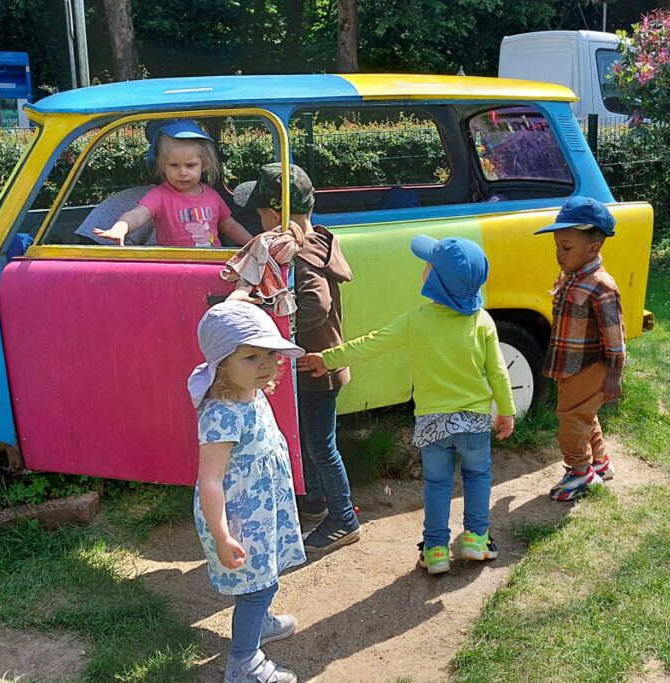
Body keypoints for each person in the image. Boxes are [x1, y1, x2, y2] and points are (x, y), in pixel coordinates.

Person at [298, 235, 516, 575]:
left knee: (439, 485)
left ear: (435, 280)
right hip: (473, 421)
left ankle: (436, 550)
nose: (424, 268)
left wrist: (328, 358)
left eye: (428, 264)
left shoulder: (416, 320)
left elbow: (372, 344)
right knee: (477, 476)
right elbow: (498, 372)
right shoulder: (482, 321)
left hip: (433, 423)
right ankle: (475, 538)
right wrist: (506, 409)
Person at [229, 163, 361, 554]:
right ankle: (316, 501)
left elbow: (315, 304)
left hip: (314, 365)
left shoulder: (299, 252)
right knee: (309, 439)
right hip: (319, 363)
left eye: (258, 216)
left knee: (321, 446)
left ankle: (344, 518)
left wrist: (278, 326)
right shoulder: (318, 240)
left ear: (274, 215)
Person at [188, 301, 307, 683]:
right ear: (222, 364)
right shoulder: (221, 413)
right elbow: (209, 479)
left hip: (263, 508)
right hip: (239, 517)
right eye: (251, 356)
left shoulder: (251, 393)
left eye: (270, 353)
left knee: (264, 576)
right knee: (259, 584)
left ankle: (258, 623)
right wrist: (223, 536)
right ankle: (243, 662)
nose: (266, 365)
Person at [533, 195, 625, 502]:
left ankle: (579, 472)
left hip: (588, 366)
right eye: (557, 246)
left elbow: (615, 336)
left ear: (593, 248)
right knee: (583, 414)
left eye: (566, 247)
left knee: (571, 418)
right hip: (568, 363)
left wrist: (614, 374)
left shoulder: (601, 285)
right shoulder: (569, 275)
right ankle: (599, 463)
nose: (559, 253)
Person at [94, 120, 253, 248]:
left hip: (211, 266)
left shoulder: (212, 196)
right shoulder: (159, 196)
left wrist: (253, 242)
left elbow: (230, 226)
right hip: (176, 267)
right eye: (174, 165)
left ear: (203, 165)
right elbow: (137, 214)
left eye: (190, 166)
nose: (182, 172)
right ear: (162, 165)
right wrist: (121, 228)